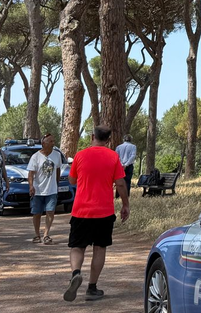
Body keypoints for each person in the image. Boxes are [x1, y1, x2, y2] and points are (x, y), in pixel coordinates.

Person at [64, 126, 129, 302]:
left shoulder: (80, 155)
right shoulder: (113, 157)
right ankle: (92, 288)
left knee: (77, 246)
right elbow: (121, 184)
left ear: (92, 136)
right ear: (108, 140)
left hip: (81, 210)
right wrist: (125, 205)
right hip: (104, 211)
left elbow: (72, 179)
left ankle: (76, 273)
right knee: (99, 248)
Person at [28, 133, 65, 245]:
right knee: (37, 213)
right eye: (50, 141)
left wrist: (56, 184)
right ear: (43, 143)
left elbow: (58, 169)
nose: (53, 143)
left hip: (51, 189)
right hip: (38, 189)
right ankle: (37, 235)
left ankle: (46, 234)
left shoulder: (57, 155)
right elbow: (31, 174)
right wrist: (31, 186)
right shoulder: (35, 157)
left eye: (53, 141)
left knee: (50, 211)